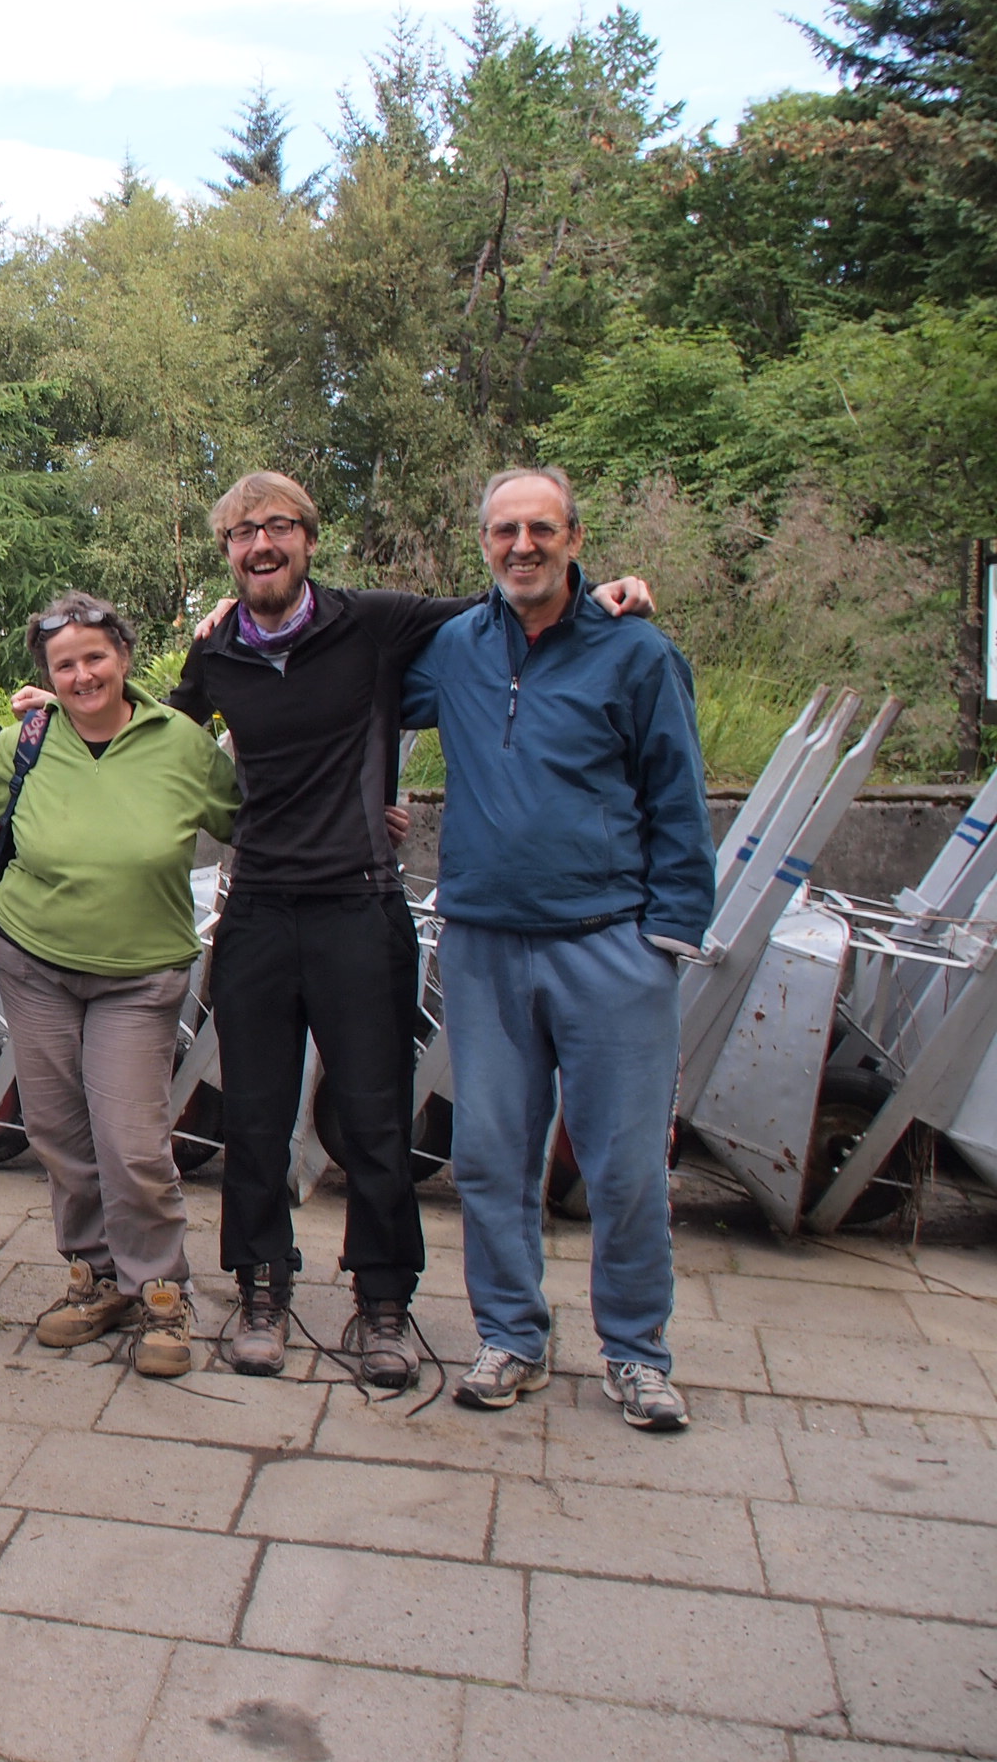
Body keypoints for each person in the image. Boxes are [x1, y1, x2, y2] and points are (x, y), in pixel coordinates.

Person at [159, 472, 654, 1387]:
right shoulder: (216, 649)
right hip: (259, 908)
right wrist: (52, 719)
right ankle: (261, 1290)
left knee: (374, 1120)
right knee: (256, 1118)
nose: (262, 545)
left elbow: (509, 607)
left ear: (310, 539)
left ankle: (383, 1302)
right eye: (242, 532)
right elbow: (158, 739)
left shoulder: (376, 622)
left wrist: (604, 594)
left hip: (360, 906)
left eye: (279, 527)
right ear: (226, 551)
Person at [403, 467, 713, 1432]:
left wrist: (668, 935)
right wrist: (232, 632)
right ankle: (512, 1337)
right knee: (491, 1159)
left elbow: (679, 797)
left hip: (609, 944)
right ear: (484, 544)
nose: (522, 546)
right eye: (504, 531)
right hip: (487, 943)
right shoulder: (456, 648)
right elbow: (340, 682)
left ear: (575, 538)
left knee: (624, 1168)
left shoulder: (637, 652)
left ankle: (636, 1353)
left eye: (541, 528)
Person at [0, 594, 239, 1376]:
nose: (82, 674)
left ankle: (162, 1292)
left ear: (123, 655)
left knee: (132, 1143)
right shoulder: (27, 740)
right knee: (58, 1134)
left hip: (139, 976)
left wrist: (368, 813)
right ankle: (97, 1277)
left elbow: (248, 817)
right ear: (46, 676)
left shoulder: (181, 742)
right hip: (35, 963)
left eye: (94, 657)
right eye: (65, 664)